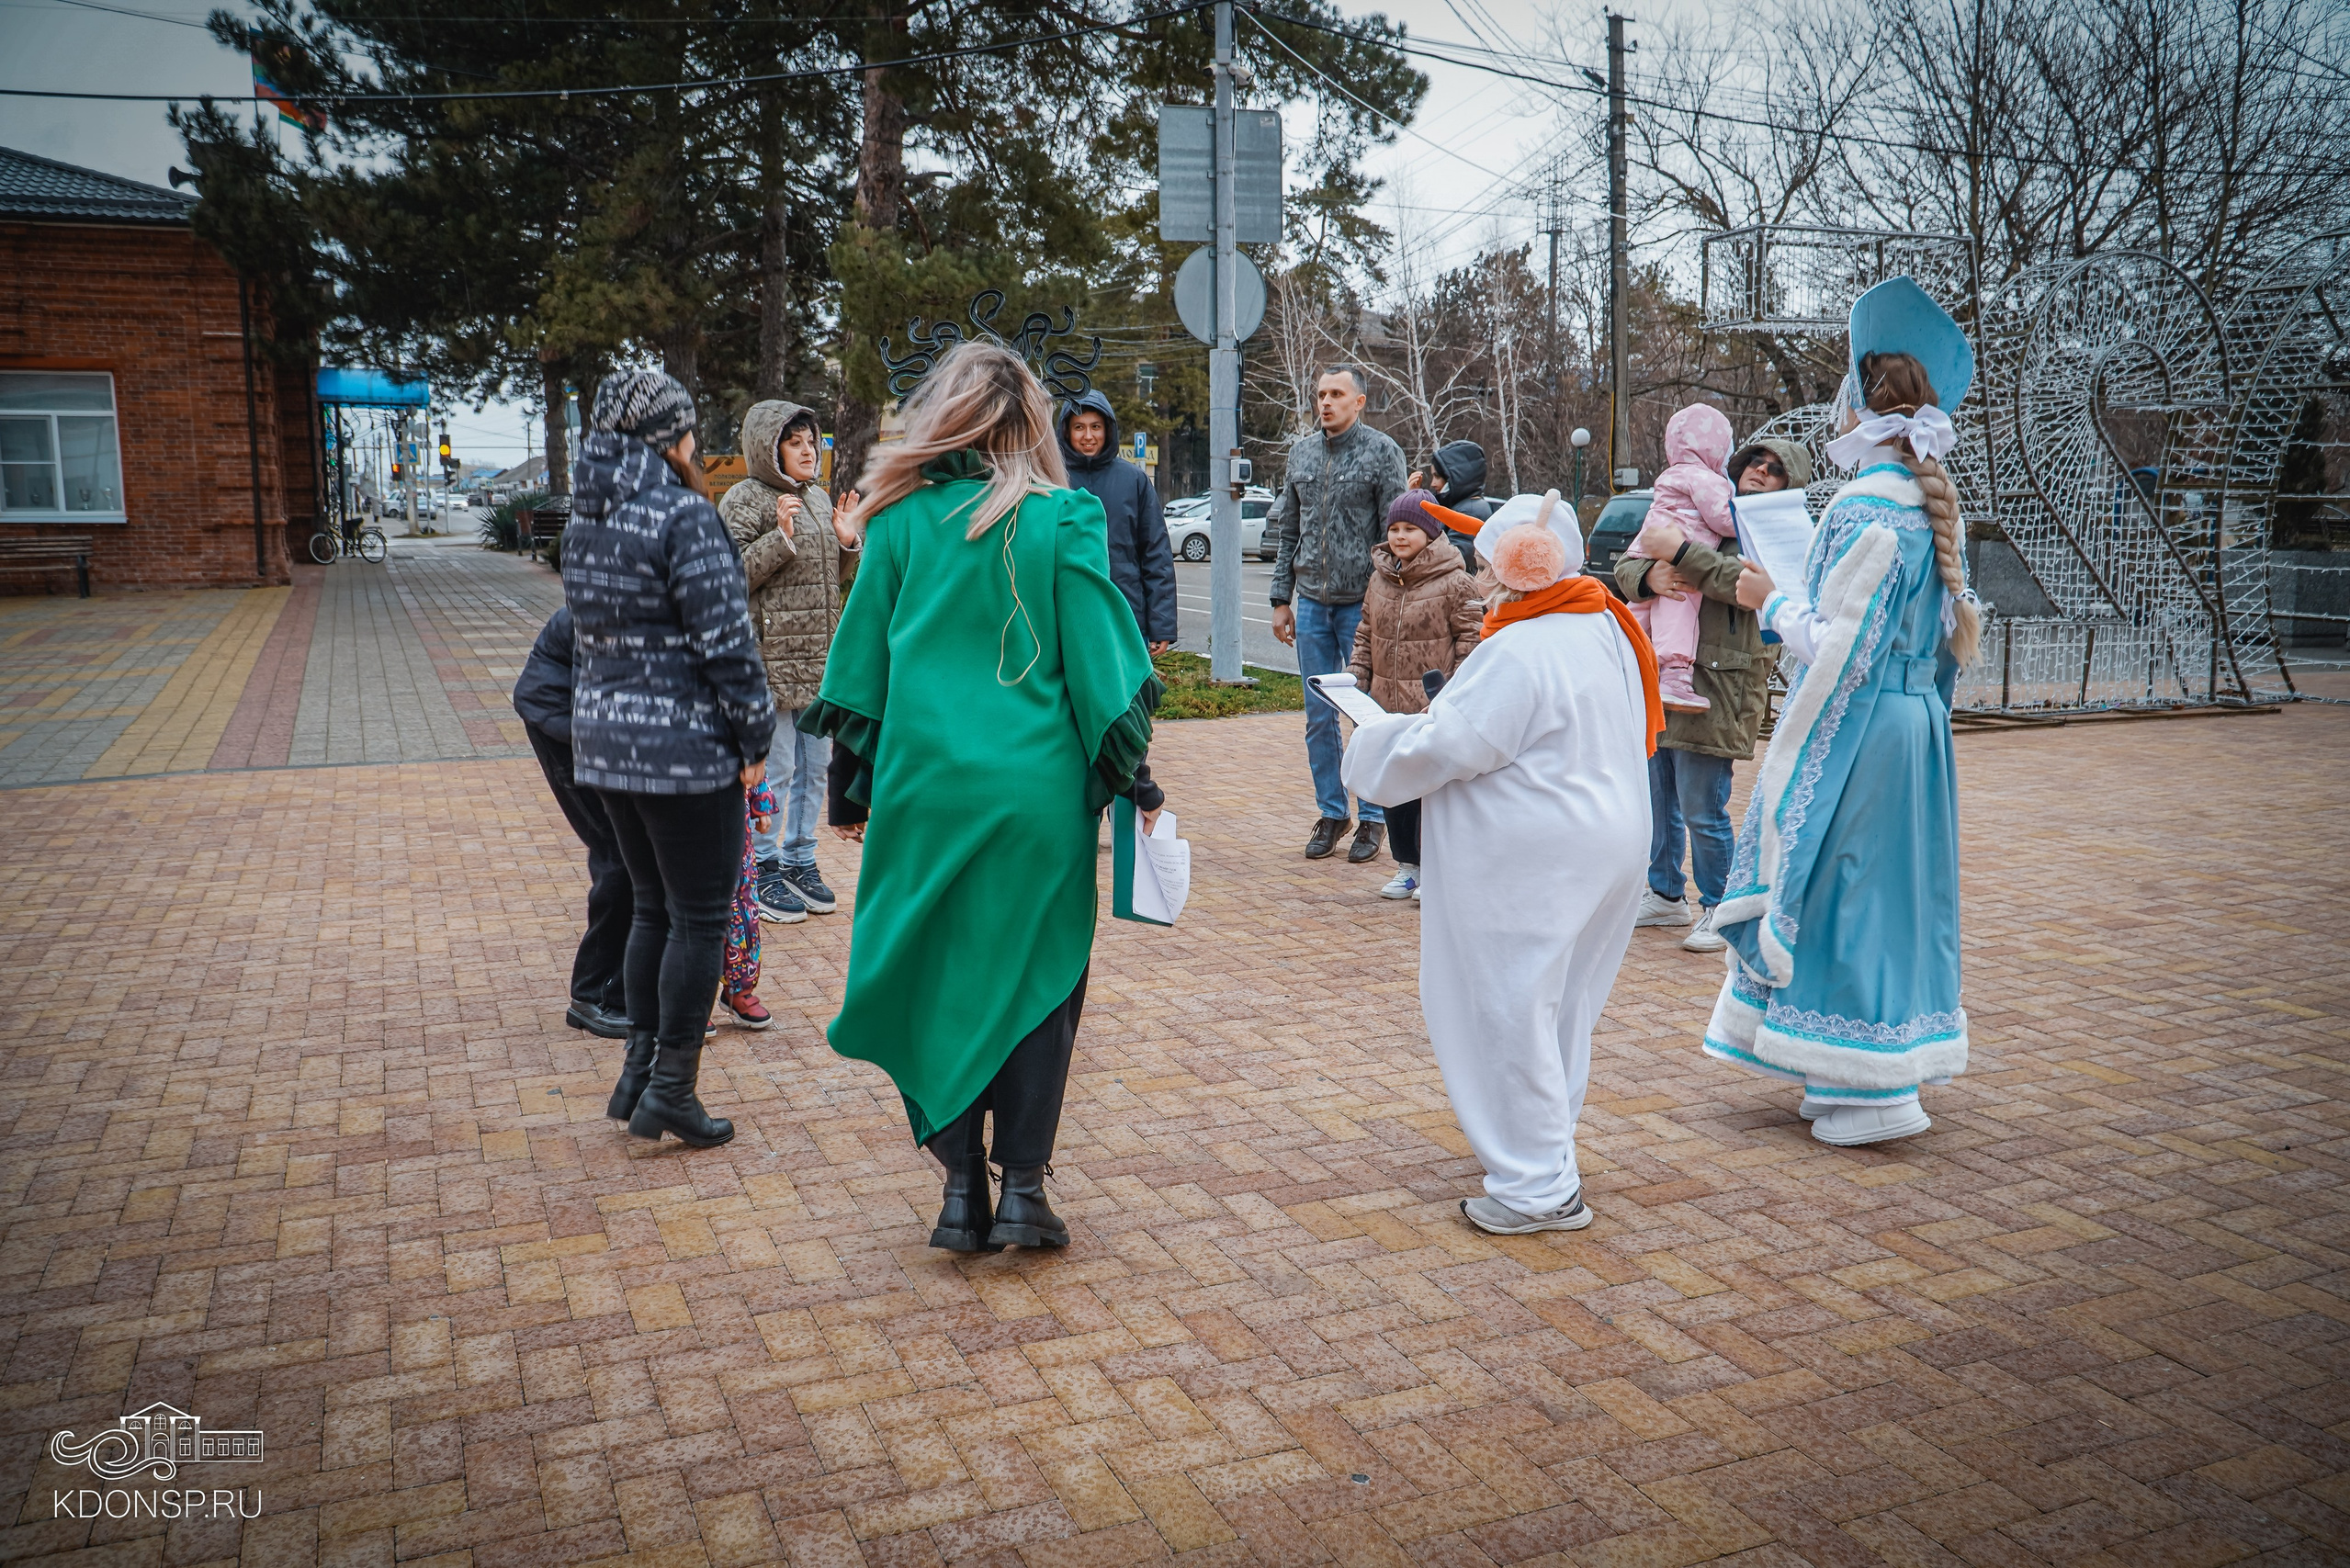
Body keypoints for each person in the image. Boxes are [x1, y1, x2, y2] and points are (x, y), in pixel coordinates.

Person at [801, 342, 1167, 1253]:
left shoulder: (894, 521)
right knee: (1039, 981)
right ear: (1031, 425)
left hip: (925, 791)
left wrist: (849, 794)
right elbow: (1103, 675)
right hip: (1035, 797)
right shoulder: (1064, 518)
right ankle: (1024, 1193)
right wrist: (1133, 780)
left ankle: (961, 1191)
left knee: (937, 977)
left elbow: (858, 673)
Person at [1678, 276, 1983, 1148]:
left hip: (1863, 729)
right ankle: (1850, 1064)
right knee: (1893, 893)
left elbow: (1841, 648)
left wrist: (1769, 599)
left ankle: (1873, 1086)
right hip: (1913, 728)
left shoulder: (1863, 505)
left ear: (1863, 403)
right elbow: (1928, 642)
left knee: (1845, 886)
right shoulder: (1925, 504)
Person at [1342, 491, 1662, 1235]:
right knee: (1559, 1005)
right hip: (1606, 841)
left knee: (1508, 1008)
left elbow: (1449, 746)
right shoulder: (1599, 620)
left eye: (1490, 564)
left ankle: (1537, 1184)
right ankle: (1544, 1150)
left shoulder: (1522, 646)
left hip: (1539, 858)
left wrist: (1371, 741)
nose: (1482, 578)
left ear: (1525, 565)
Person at [564, 368, 775, 1149]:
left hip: (607, 746)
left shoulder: (585, 519)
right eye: (687, 429)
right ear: (668, 437)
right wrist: (754, 739)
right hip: (685, 750)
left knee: (652, 907)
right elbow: (727, 642)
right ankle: (673, 1090)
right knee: (699, 916)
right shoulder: (683, 516)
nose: (694, 442)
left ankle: (639, 1075)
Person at [1619, 435, 1807, 954]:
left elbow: (1742, 585)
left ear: (1789, 483)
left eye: (1774, 469)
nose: (1760, 471)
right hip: (1663, 679)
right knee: (1658, 797)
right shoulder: (1700, 504)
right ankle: (1665, 893)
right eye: (1755, 462)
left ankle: (1720, 907)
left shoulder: (1776, 532)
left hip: (1721, 686)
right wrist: (1650, 574)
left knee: (1702, 806)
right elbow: (1631, 561)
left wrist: (1678, 554)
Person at [722, 400, 860, 926]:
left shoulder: (818, 498)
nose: (808, 452)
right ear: (768, 448)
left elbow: (828, 578)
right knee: (776, 770)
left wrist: (847, 544)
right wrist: (778, 538)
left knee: (815, 769)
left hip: (819, 662)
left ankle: (801, 859)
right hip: (770, 661)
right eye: (795, 443)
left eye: (812, 443)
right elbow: (728, 578)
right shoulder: (744, 498)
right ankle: (765, 866)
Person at [1269, 365, 1409, 863]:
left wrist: (1391, 596)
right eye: (1320, 394)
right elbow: (1289, 530)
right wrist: (1280, 598)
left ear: (1359, 402)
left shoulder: (1382, 452)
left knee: (1365, 714)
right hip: (1311, 603)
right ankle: (1332, 812)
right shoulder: (1301, 453)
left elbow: (1397, 533)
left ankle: (1373, 817)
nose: (1325, 402)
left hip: (1363, 605)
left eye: (1335, 394)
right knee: (1317, 716)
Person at [1347, 490, 1482, 900]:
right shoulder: (1380, 578)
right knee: (1396, 788)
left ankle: (1437, 869)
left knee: (1433, 791)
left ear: (1432, 532)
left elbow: (1472, 641)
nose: (1400, 536)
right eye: (1394, 528)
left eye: (1410, 528)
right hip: (1386, 706)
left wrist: (1451, 693)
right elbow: (1365, 633)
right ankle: (1408, 866)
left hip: (1432, 707)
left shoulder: (1456, 581)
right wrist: (1356, 677)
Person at [511, 605, 631, 1043]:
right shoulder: (613, 610)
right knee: (620, 854)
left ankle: (620, 988)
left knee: (632, 854)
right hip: (562, 720)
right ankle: (593, 995)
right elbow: (598, 705)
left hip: (594, 721)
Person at [1620, 404, 1738, 713]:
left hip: (1649, 547)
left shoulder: (1671, 474)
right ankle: (1674, 675)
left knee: (1642, 613)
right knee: (1678, 607)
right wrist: (1745, 519)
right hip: (1682, 551)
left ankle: (1618, 658)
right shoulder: (1705, 478)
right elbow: (1723, 519)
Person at [1057, 389, 1177, 654]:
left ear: (1108, 430)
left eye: (1095, 427)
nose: (1088, 436)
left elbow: (1156, 554)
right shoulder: (1052, 479)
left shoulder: (1133, 480)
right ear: (1066, 431)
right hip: (1065, 616)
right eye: (1079, 427)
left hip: (1126, 614)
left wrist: (1161, 626)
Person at [1417, 439, 1498, 571]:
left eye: (1437, 476)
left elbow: (1452, 559)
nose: (1433, 484)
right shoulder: (1464, 506)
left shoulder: (1470, 510)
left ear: (1456, 477)